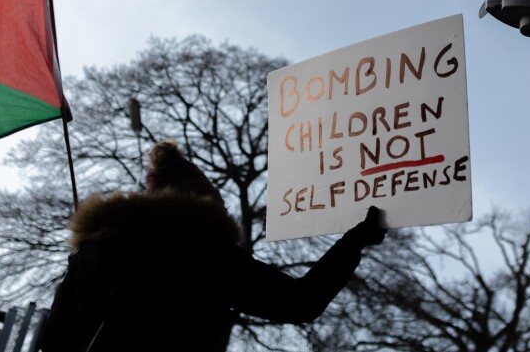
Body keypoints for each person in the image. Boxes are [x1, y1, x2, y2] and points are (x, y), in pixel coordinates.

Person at [41, 140, 386, 352]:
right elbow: (300, 303)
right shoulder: (209, 256)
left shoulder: (91, 253)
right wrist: (355, 240)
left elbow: (53, 340)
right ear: (206, 205)